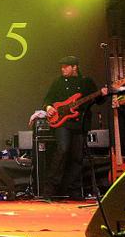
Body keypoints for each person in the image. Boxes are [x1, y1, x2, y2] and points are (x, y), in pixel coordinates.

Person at [38, 55, 107, 199]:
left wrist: (103, 94)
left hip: (80, 122)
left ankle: (74, 191)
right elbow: (48, 99)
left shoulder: (86, 82)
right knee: (62, 150)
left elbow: (98, 100)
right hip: (62, 122)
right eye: (62, 67)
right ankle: (50, 190)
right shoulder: (58, 82)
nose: (62, 69)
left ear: (75, 67)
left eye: (66, 66)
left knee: (77, 157)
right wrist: (49, 107)